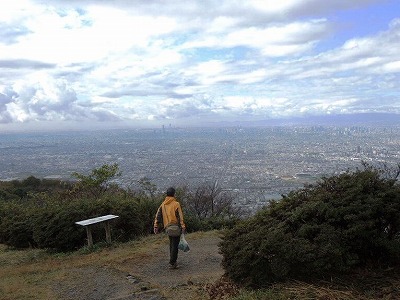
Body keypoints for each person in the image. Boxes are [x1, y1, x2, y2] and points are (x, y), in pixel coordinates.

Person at [154, 187, 186, 269]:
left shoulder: (163, 204)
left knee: (172, 244)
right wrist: (183, 226)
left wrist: (156, 226)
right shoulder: (176, 204)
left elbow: (158, 216)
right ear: (174, 194)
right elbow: (180, 216)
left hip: (167, 227)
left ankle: (172, 261)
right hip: (175, 227)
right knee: (175, 245)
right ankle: (172, 263)